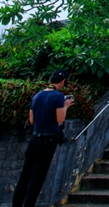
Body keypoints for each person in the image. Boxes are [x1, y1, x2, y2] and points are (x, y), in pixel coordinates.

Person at [13, 69, 74, 207]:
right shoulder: (58, 96)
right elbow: (60, 119)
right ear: (63, 81)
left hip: (35, 138)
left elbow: (32, 120)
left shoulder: (37, 96)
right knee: (37, 179)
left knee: (24, 177)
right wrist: (65, 106)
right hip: (48, 140)